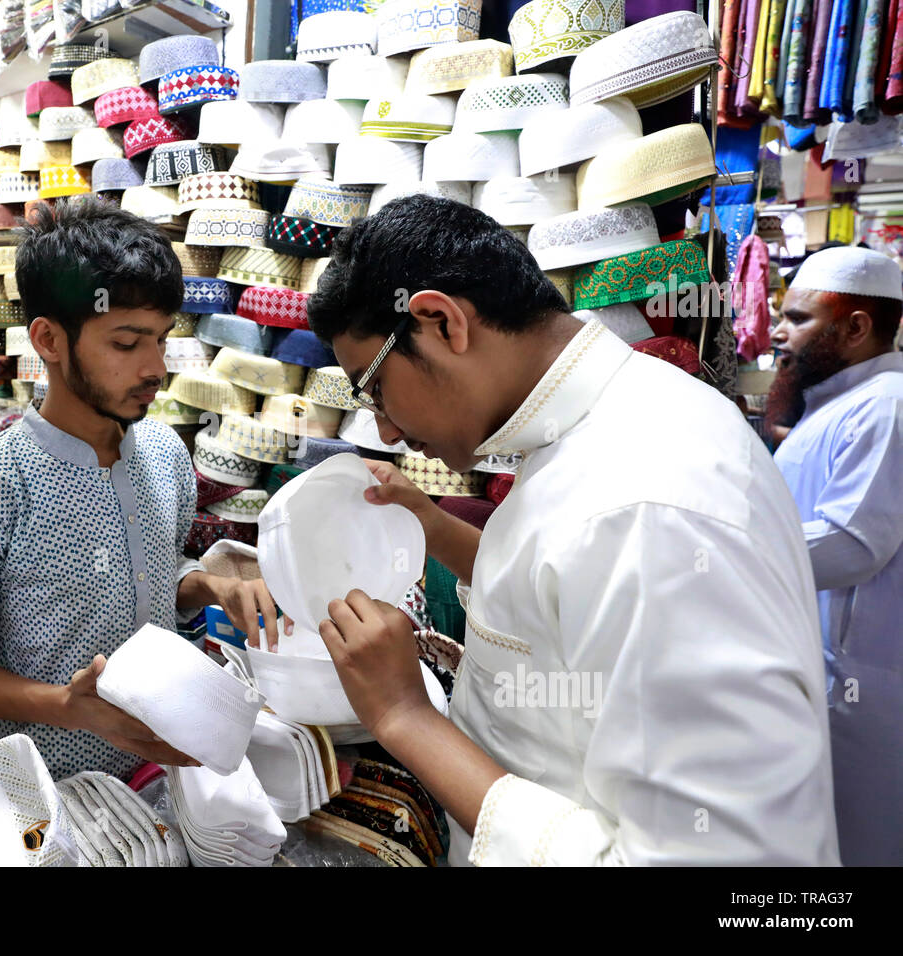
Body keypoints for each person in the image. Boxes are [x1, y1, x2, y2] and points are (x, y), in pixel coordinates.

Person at [299, 195, 838, 865]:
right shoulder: (596, 427)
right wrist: (433, 528)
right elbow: (558, 594)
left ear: (440, 321)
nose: (383, 428)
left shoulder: (645, 504)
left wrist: (404, 717)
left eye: (373, 388)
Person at [0, 199, 285, 782]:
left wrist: (206, 586)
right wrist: (68, 707)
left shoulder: (164, 454)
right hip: (49, 790)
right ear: (49, 340)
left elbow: (149, 576)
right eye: (126, 343)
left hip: (169, 775)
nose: (155, 367)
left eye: (161, 339)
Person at [767, 245, 903, 866]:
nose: (776, 330)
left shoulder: (887, 404)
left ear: (856, 327)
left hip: (857, 682)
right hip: (817, 671)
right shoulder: (838, 405)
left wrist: (730, 549)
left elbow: (854, 544)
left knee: (856, 845)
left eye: (798, 319)